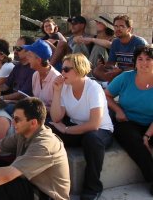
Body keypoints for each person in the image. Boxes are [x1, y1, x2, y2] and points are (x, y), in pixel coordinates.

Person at [0, 98, 70, 200]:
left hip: (46, 194)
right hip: (28, 184)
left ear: (33, 123)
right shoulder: (23, 134)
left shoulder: (45, 144)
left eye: (17, 119)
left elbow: (7, 176)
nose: (12, 122)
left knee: (1, 185)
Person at [49, 53, 114, 200]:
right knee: (47, 129)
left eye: (66, 69)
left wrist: (66, 129)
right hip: (77, 127)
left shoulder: (93, 88)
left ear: (79, 70)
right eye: (62, 69)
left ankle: (93, 188)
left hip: (100, 131)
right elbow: (56, 117)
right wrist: (57, 92)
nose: (62, 72)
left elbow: (94, 124)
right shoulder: (65, 86)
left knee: (91, 140)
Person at [105, 44, 153, 196]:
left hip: (151, 123)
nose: (144, 62)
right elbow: (106, 95)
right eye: (140, 59)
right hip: (127, 120)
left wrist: (148, 135)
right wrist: (118, 110)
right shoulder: (126, 77)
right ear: (135, 61)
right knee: (134, 141)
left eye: (148, 59)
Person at [93, 15, 147, 82]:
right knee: (97, 71)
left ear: (129, 29)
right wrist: (104, 65)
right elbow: (111, 63)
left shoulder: (139, 42)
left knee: (127, 73)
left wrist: (121, 71)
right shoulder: (115, 42)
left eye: (122, 26)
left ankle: (113, 84)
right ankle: (113, 83)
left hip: (135, 73)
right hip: (119, 72)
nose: (118, 29)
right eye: (116, 26)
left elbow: (142, 66)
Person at [23, 39, 61, 113]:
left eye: (30, 56)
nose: (27, 58)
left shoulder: (56, 79)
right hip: (37, 114)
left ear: (39, 60)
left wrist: (40, 109)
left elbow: (60, 109)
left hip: (50, 119)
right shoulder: (35, 75)